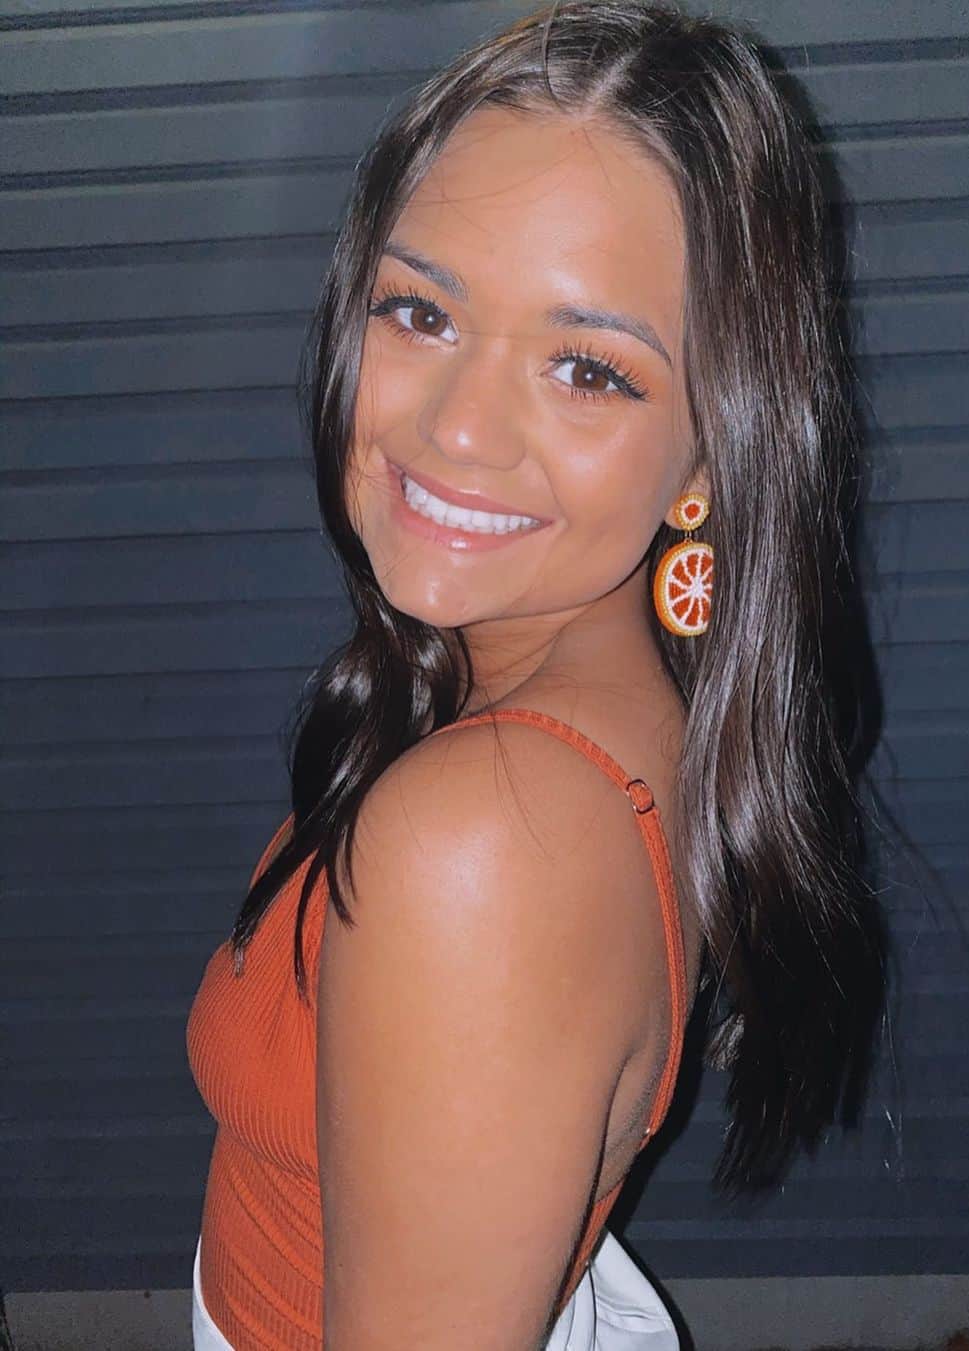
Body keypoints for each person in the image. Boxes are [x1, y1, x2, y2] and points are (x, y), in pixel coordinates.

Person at [186, 0, 888, 1346]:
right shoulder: (600, 702)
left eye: (587, 370)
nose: (459, 428)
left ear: (711, 452)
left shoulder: (485, 839)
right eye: (421, 310)